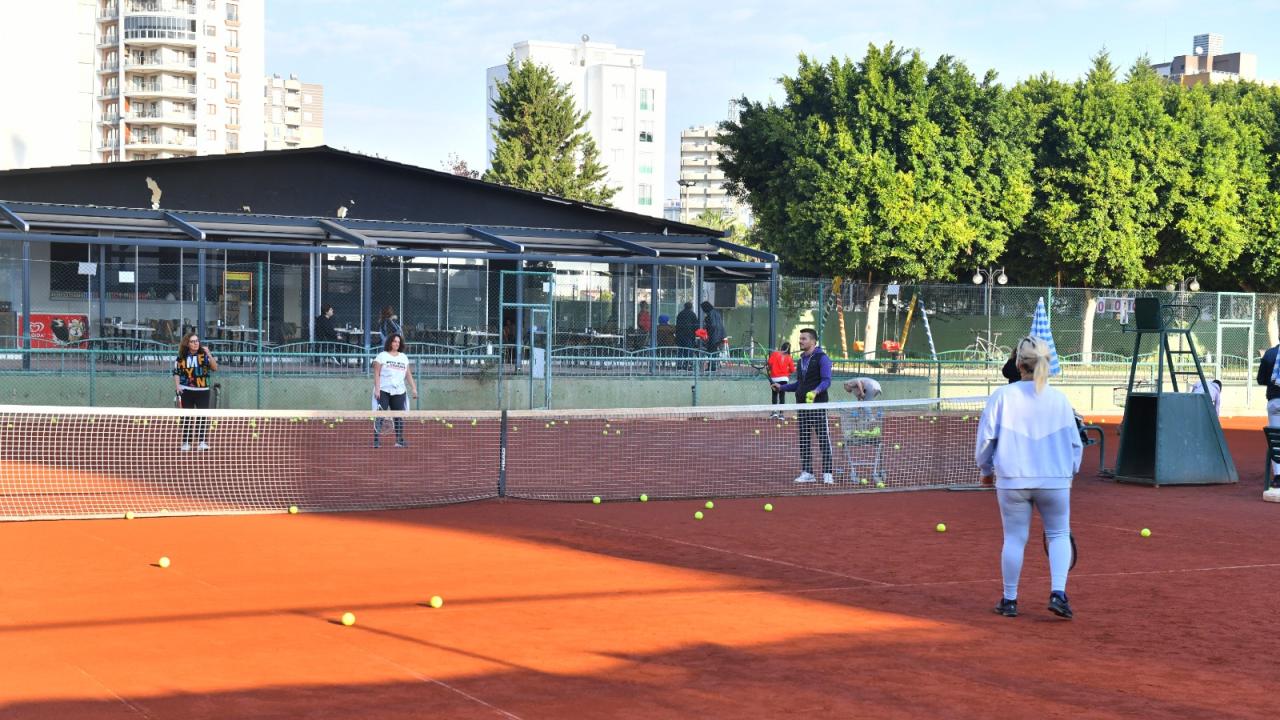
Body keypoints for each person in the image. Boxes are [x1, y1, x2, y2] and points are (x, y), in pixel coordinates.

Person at [976, 336, 1083, 620]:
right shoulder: (1060, 399)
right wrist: (1069, 472)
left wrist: (986, 472)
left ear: (1018, 363)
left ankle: (1010, 600)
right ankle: (1058, 593)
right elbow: (1076, 444)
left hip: (1013, 478)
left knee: (1014, 538)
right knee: (1059, 534)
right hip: (1055, 479)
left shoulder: (1002, 396)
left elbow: (986, 440)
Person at [772, 328, 834, 484]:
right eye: (800, 339)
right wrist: (782, 387)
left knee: (823, 439)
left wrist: (816, 391)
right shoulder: (800, 361)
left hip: (818, 406)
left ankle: (828, 473)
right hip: (802, 407)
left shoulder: (822, 358)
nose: (800, 341)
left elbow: (826, 381)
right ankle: (807, 472)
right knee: (804, 439)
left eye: (804, 339)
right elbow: (800, 384)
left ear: (813, 341)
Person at [173, 331, 218, 452]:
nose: (196, 343)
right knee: (186, 417)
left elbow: (214, 368)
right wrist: (178, 387)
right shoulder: (181, 357)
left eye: (197, 341)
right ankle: (186, 442)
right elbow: (176, 373)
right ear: (187, 343)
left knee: (202, 417)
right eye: (192, 341)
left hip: (203, 390)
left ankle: (202, 442)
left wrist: (209, 354)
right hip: (186, 390)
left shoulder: (204, 355)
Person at [371, 333, 418, 449]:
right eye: (394, 341)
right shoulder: (382, 356)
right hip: (383, 390)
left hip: (399, 391)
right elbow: (376, 373)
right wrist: (377, 389)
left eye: (398, 342)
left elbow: (408, 374)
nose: (397, 343)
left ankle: (399, 441)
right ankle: (376, 441)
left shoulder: (403, 357)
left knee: (399, 416)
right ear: (390, 343)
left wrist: (414, 388)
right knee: (380, 415)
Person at [1257, 342, 1280, 480]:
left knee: (1276, 440)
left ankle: (1278, 476)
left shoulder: (1270, 354)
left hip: (1274, 402)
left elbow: (1261, 379)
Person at [767, 342, 795, 419]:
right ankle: (781, 414)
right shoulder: (789, 357)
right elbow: (792, 370)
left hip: (774, 378)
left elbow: (769, 363)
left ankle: (774, 413)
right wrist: (787, 373)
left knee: (774, 395)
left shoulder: (775, 354)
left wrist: (770, 369)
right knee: (782, 396)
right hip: (784, 379)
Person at [700, 301, 726, 369]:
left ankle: (712, 366)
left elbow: (713, 325)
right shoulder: (716, 312)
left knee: (711, 351)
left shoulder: (710, 314)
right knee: (714, 351)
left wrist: (707, 329)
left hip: (714, 335)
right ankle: (713, 365)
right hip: (720, 334)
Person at [676, 301, 699, 368]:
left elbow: (677, 325)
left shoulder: (680, 314)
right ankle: (688, 365)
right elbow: (696, 325)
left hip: (680, 335)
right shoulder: (692, 314)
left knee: (680, 350)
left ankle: (679, 365)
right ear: (691, 307)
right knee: (689, 350)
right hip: (689, 335)